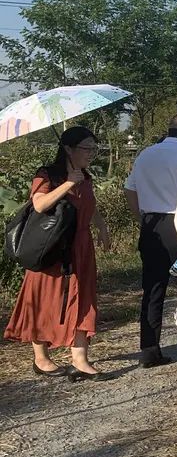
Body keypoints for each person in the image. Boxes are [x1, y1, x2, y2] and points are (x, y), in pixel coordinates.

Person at [5, 126, 111, 380]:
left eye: (94, 149)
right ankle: (41, 358)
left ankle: (80, 359)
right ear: (68, 149)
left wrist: (102, 227)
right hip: (53, 248)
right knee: (44, 298)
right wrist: (67, 184)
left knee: (83, 298)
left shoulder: (85, 175)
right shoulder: (47, 174)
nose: (91, 153)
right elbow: (40, 204)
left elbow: (89, 204)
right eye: (86, 148)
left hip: (81, 247)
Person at [124, 112, 177, 367]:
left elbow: (130, 190)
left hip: (151, 226)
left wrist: (142, 219)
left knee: (153, 288)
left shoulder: (146, 154)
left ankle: (149, 350)